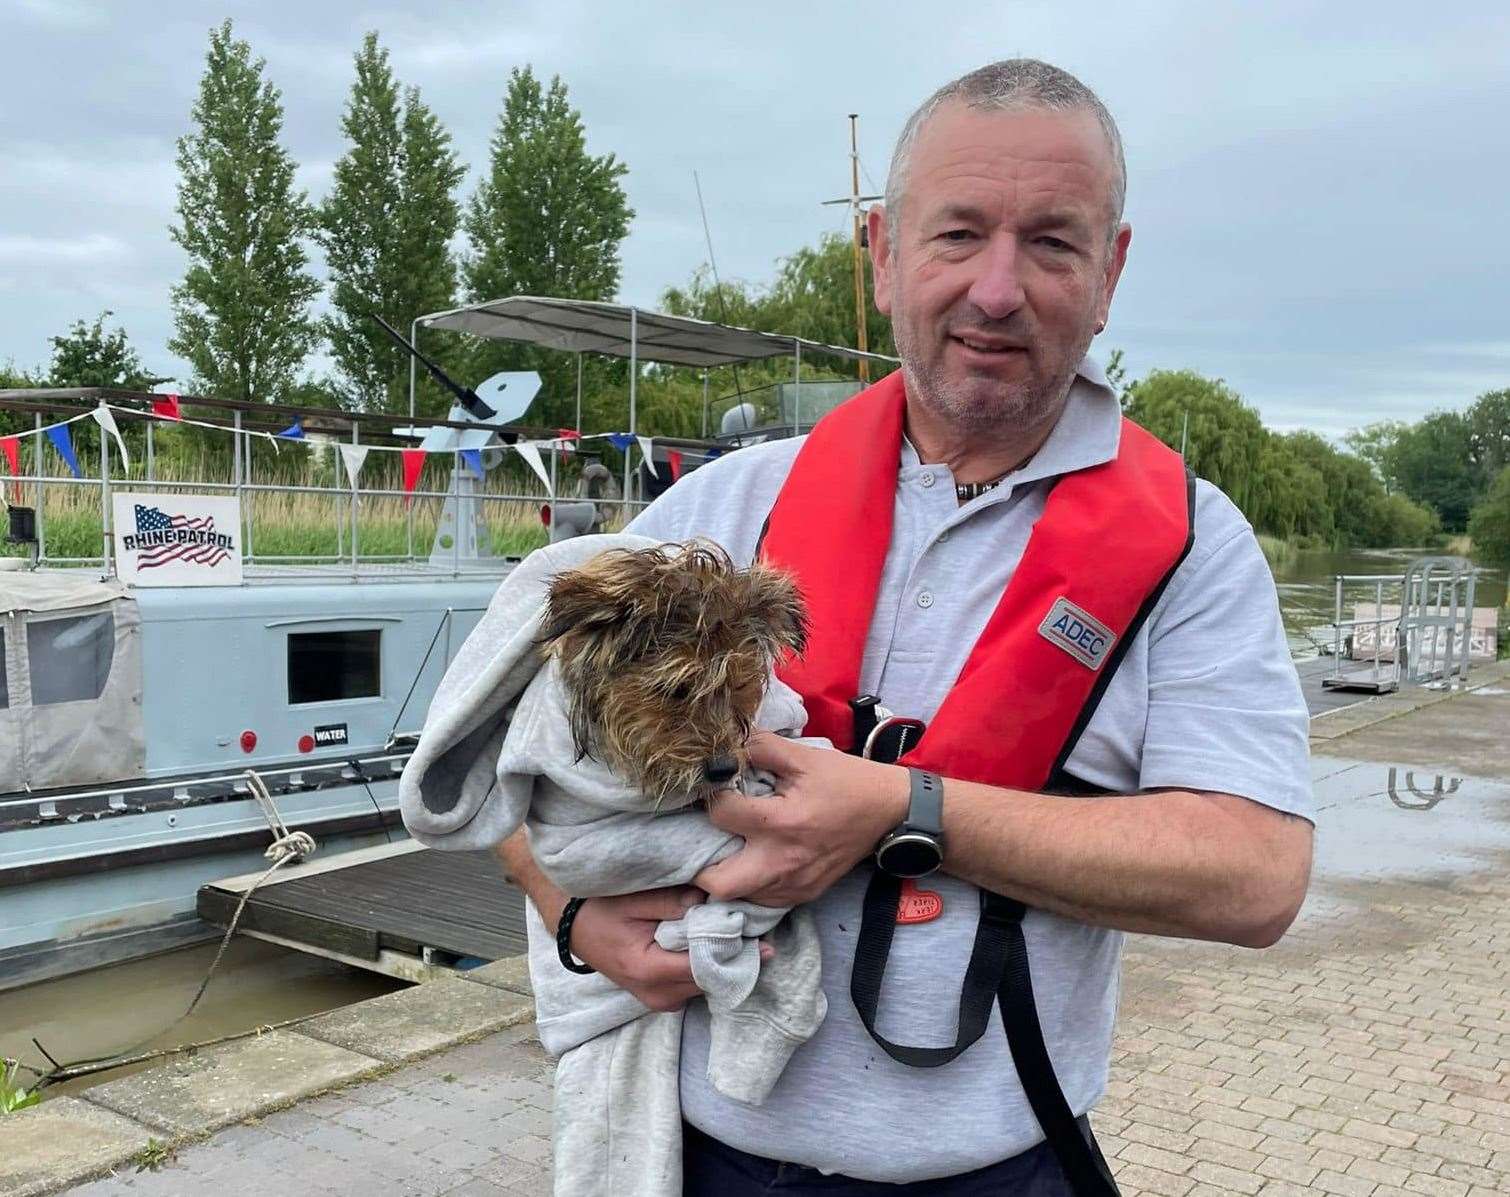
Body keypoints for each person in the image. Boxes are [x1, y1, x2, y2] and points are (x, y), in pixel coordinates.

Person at [500, 58, 1313, 1195]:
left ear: (1111, 269)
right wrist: (571, 910)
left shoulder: (1192, 547)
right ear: (880, 253)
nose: (995, 288)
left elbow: (1257, 879)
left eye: (1052, 242)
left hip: (997, 1168)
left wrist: (904, 808)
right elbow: (487, 756)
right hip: (704, 1161)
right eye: (957, 235)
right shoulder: (721, 510)